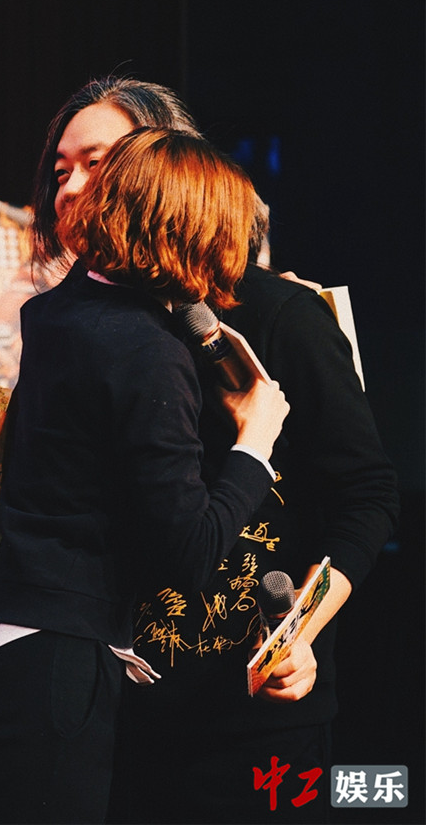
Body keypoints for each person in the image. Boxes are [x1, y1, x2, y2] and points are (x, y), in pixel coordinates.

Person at [22, 76, 399, 823]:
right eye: (60, 171)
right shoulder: (70, 327)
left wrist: (301, 629)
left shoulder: (280, 313)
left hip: (252, 721)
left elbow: (367, 495)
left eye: (99, 163)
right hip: (110, 711)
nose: (72, 188)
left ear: (174, 164)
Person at [0, 127, 289, 825]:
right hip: (54, 676)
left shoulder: (59, 314)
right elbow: (187, 552)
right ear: (197, 232)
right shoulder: (144, 351)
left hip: (12, 662)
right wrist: (256, 439)